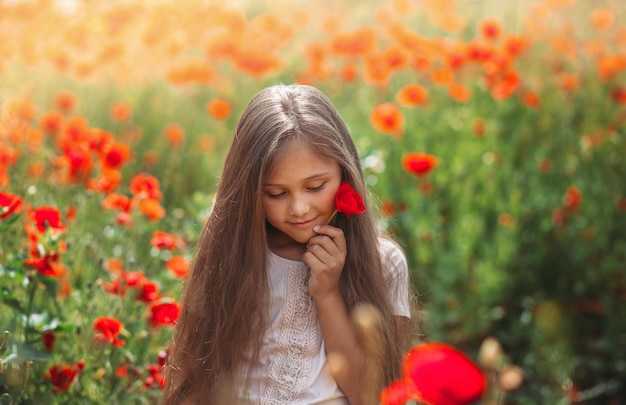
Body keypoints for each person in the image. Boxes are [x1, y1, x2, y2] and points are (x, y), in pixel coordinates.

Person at [162, 84, 413, 404]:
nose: (299, 208)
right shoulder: (234, 251)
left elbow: (372, 395)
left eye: (315, 186)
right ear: (248, 191)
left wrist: (327, 292)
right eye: (276, 193)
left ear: (345, 172)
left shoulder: (383, 262)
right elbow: (190, 375)